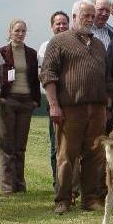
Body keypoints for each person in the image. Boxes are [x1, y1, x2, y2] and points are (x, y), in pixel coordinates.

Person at [40, 0, 113, 214]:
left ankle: (90, 198)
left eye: (92, 16)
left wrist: (107, 105)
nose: (90, 20)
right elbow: (48, 75)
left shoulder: (99, 45)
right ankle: (63, 199)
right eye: (86, 16)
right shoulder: (60, 42)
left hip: (97, 109)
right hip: (70, 108)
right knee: (66, 155)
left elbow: (108, 78)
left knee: (95, 155)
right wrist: (54, 106)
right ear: (74, 17)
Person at [0, 19, 41, 194]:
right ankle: (7, 185)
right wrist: (0, 98)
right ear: (10, 32)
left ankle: (19, 183)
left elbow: (34, 79)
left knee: (20, 146)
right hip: (9, 101)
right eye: (17, 31)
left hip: (26, 101)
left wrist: (35, 100)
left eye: (23, 31)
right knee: (7, 145)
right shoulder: (2, 52)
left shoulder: (31, 53)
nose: (20, 34)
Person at [38, 11, 70, 192]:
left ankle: (72, 184)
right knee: (56, 145)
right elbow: (45, 74)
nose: (61, 27)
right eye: (58, 24)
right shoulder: (46, 46)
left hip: (72, 101)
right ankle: (57, 182)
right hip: (55, 101)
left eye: (64, 23)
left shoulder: (75, 43)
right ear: (52, 27)